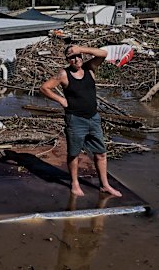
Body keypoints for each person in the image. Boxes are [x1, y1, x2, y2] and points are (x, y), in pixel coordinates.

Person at [40, 45, 122, 197]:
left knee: (101, 153)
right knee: (74, 154)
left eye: (77, 56)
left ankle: (105, 185)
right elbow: (44, 88)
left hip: (93, 118)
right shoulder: (64, 74)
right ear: (67, 60)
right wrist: (61, 100)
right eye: (71, 57)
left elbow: (104, 53)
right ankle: (75, 183)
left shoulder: (90, 67)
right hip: (75, 119)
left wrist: (81, 49)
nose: (76, 59)